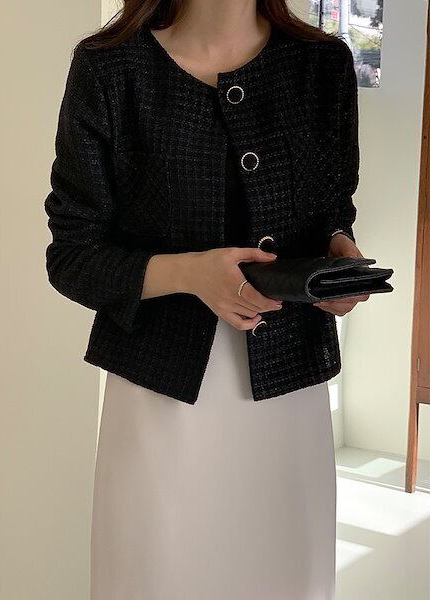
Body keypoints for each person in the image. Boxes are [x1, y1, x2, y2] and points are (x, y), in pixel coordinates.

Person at [44, 1, 369, 598]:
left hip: (289, 398)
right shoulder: (110, 69)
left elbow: (332, 209)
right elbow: (73, 257)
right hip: (159, 403)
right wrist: (192, 274)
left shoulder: (322, 65)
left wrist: (337, 258)